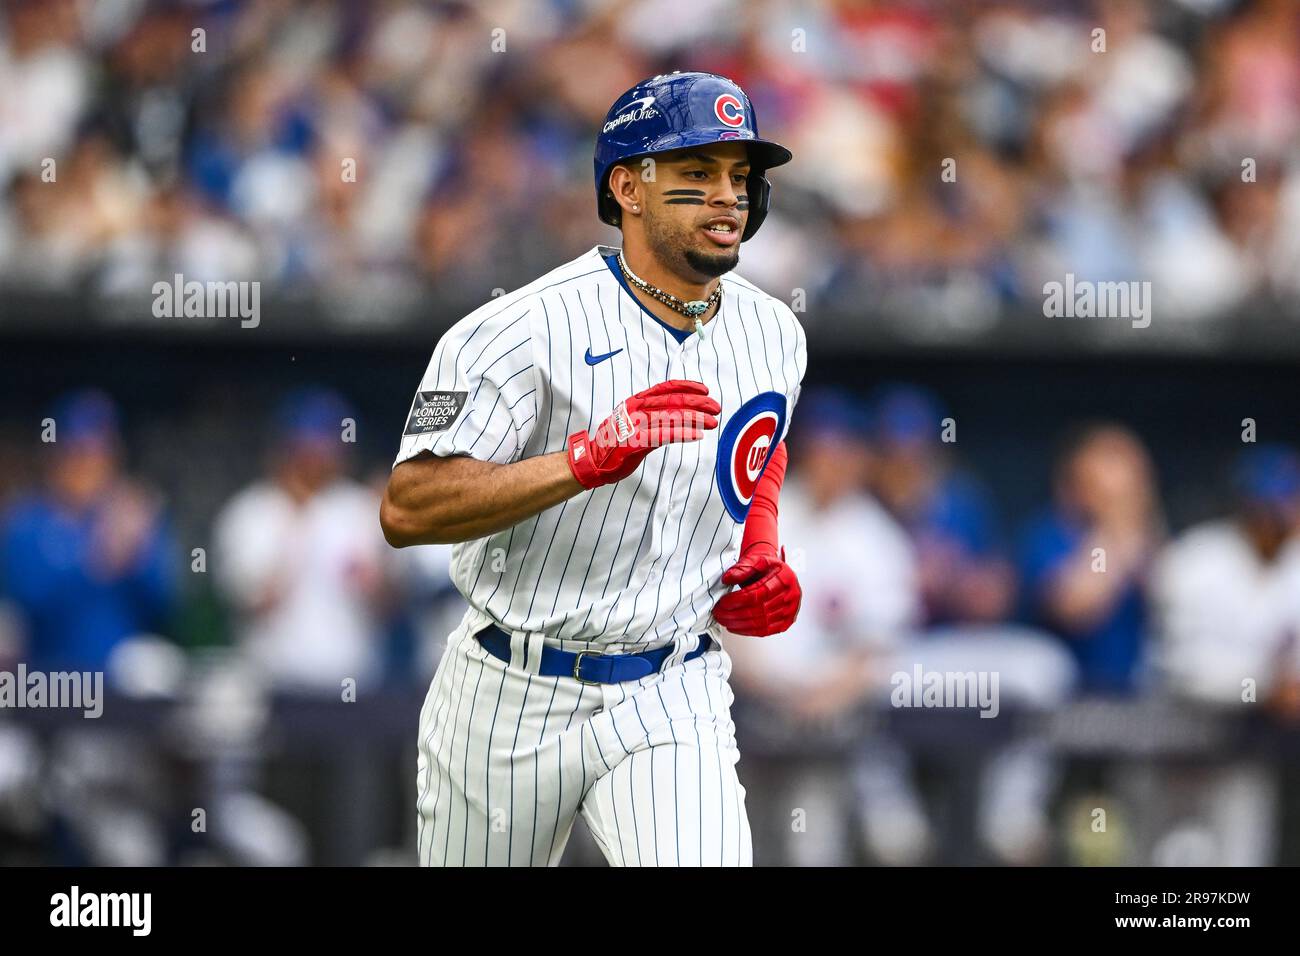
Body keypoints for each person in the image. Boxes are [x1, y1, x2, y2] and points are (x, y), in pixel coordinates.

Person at [381, 72, 806, 867]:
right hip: (511, 687)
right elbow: (409, 508)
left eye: (740, 178)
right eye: (697, 175)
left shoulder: (775, 331)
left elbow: (763, 442)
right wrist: (581, 462)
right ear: (628, 187)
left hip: (671, 684)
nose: (728, 198)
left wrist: (762, 545)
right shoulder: (516, 329)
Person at [725, 389, 930, 865]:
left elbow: (877, 652)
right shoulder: (761, 513)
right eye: (822, 448)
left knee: (811, 839)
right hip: (747, 702)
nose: (831, 461)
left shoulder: (877, 536)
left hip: (830, 714)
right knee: (738, 835)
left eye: (844, 451)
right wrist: (767, 690)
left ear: (862, 459)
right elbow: (724, 619)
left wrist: (818, 701)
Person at [1145, 444, 1300, 865]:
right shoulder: (1193, 560)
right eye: (1270, 506)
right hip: (1173, 736)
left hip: (1250, 742)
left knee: (1241, 856)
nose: (1281, 516)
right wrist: (1269, 684)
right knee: (1158, 854)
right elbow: (1181, 666)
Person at [213, 388, 391, 692]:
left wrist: (378, 582)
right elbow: (252, 603)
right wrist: (296, 530)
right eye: (308, 446)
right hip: (272, 685)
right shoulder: (251, 512)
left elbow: (390, 604)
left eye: (328, 445)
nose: (319, 457)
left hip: (352, 683)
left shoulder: (362, 508)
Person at [0, 389, 177, 673]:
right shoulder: (28, 520)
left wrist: (134, 553)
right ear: (55, 455)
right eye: (78, 453)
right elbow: (30, 601)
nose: (89, 466)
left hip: (122, 686)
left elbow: (163, 604)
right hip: (50, 684)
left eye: (100, 453)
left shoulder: (132, 513)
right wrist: (95, 559)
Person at [1018, 423, 1162, 695]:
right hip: (1066, 697)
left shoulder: (1152, 539)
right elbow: (1074, 609)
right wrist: (1114, 529)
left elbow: (1170, 608)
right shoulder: (1050, 534)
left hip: (1139, 696)